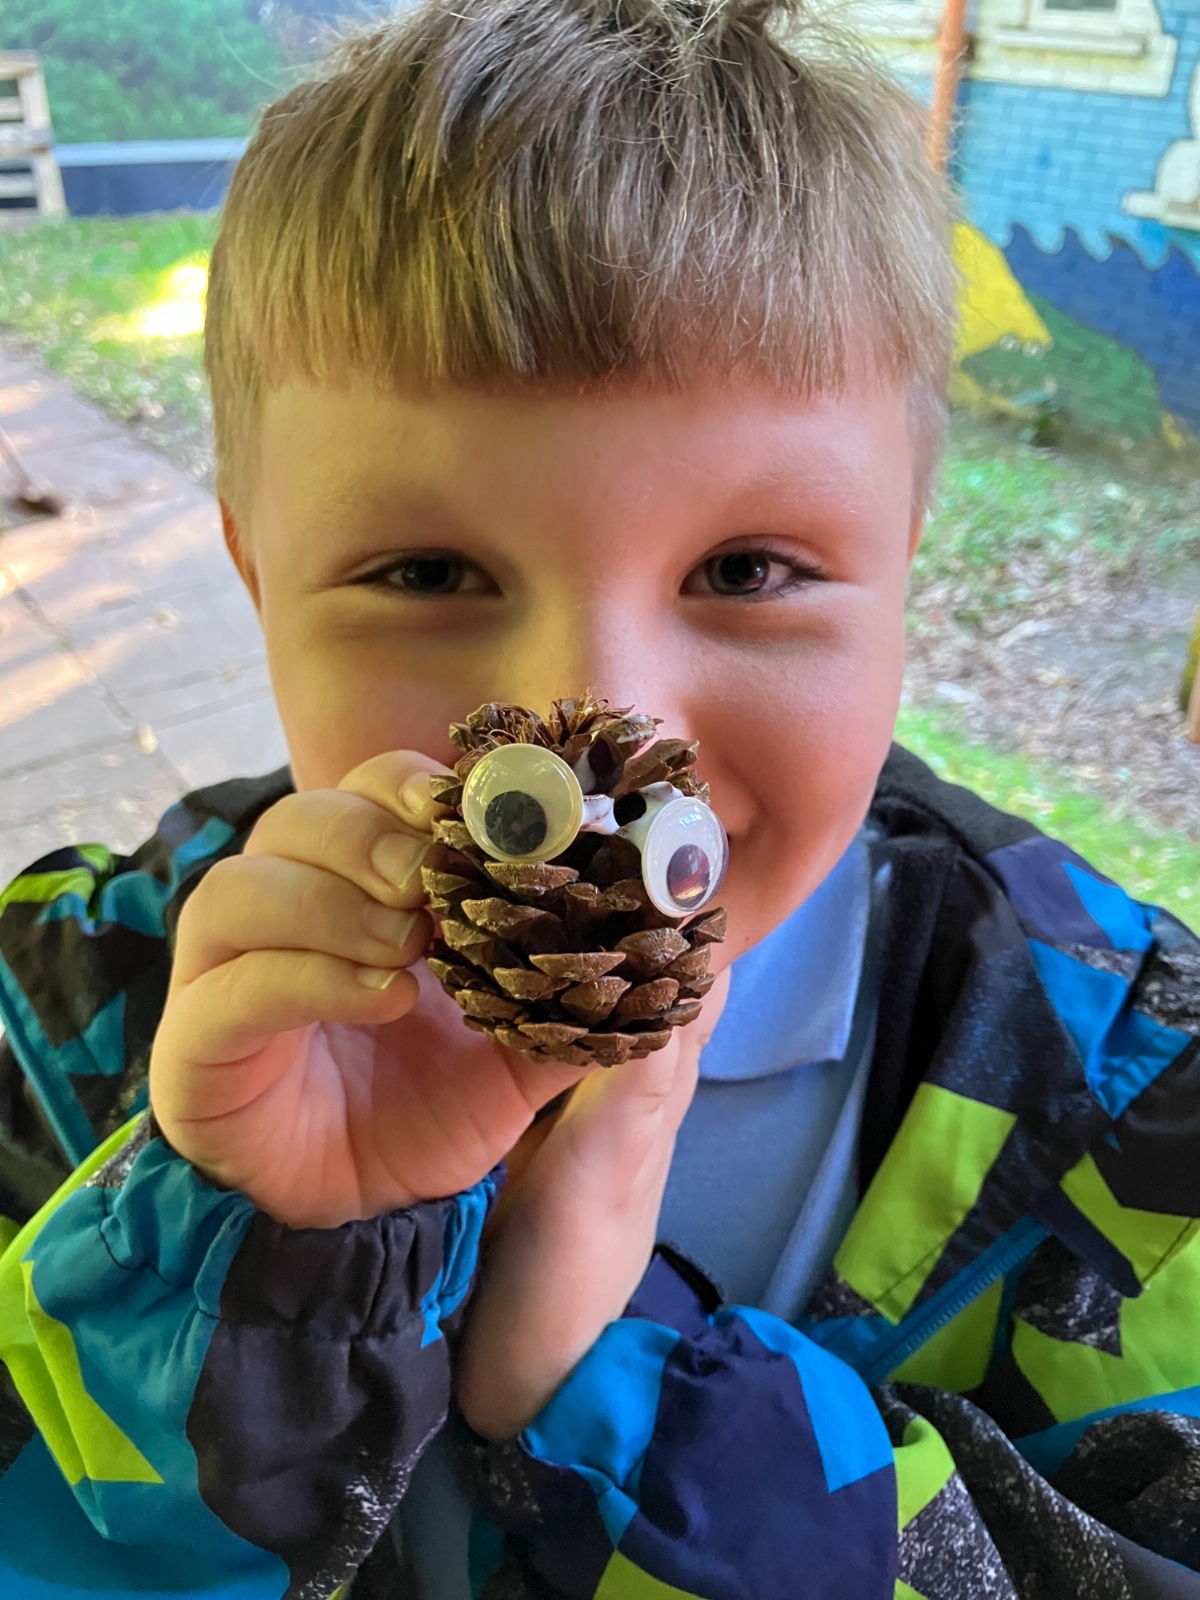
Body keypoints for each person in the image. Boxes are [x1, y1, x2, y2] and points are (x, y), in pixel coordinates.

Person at [0, 1, 1197, 1595]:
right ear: (256, 571)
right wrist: (225, 1270)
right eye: (429, 573)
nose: (594, 758)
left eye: (747, 569)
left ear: (907, 563)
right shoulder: (64, 1015)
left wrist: (606, 1385)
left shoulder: (1140, 1112)